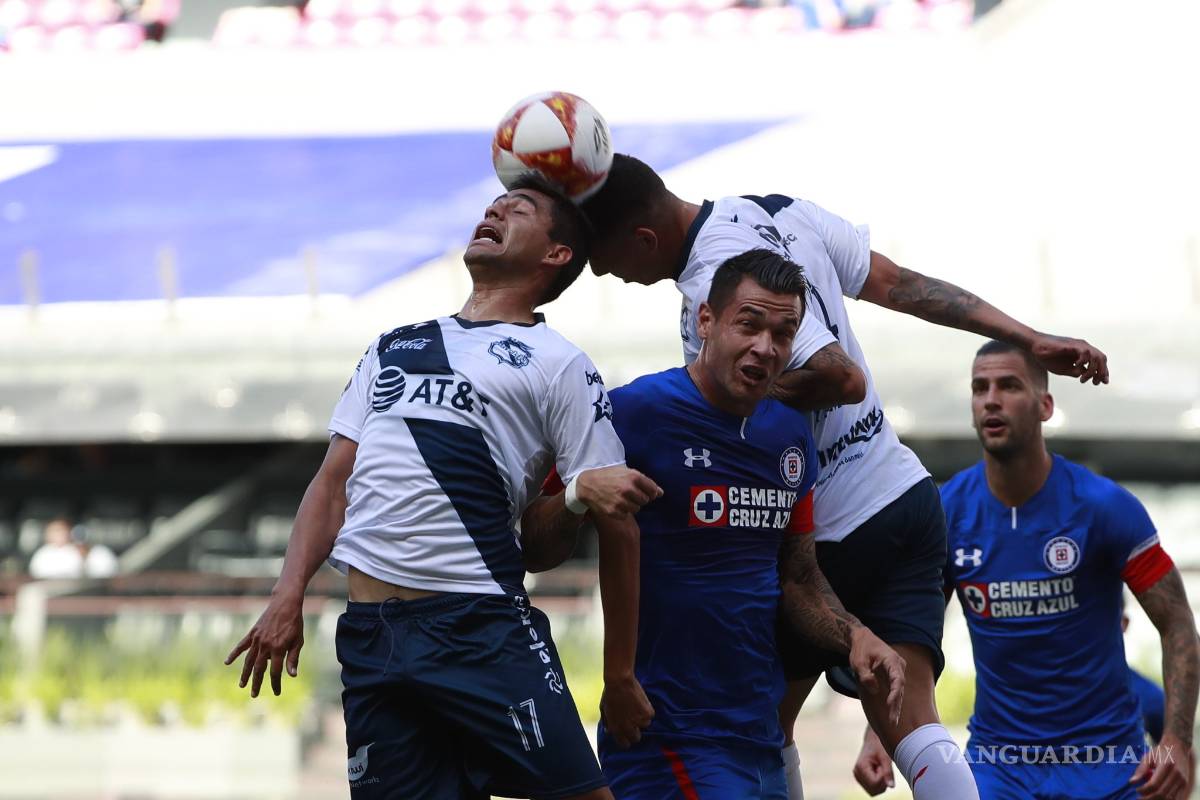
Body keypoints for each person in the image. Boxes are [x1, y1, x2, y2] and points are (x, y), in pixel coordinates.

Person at [581, 154, 1105, 798]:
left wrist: (717, 396)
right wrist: (1028, 337)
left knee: (759, 726)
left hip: (832, 527)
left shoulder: (718, 275)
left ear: (642, 239)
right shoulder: (778, 211)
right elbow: (903, 285)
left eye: (602, 256)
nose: (603, 272)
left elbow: (840, 376)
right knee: (915, 727)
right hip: (904, 494)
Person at [225, 176, 663, 800]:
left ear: (556, 254)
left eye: (519, 209)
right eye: (494, 205)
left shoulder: (560, 363)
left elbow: (603, 527)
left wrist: (619, 675)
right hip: (372, 635)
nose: (495, 210)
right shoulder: (393, 346)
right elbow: (332, 484)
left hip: (479, 628)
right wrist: (287, 593)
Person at [538, 250, 906, 798]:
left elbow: (799, 577)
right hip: (664, 730)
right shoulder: (633, 412)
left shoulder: (789, 435)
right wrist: (574, 496)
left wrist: (855, 635)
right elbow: (533, 543)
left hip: (758, 732)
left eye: (783, 333)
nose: (765, 347)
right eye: (749, 324)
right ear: (705, 321)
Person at [854, 340, 1198, 800]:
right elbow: (911, 638)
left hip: (1108, 767)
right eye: (980, 388)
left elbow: (1177, 623)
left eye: (1009, 386)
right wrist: (880, 732)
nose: (991, 400)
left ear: (1045, 405)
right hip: (1000, 768)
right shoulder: (947, 511)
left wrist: (1177, 740)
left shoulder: (1104, 506)